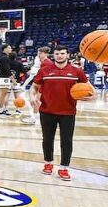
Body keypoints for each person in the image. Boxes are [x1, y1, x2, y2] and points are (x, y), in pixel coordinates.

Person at [31, 45, 92, 181]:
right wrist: (32, 96)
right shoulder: (44, 70)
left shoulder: (76, 71)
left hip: (68, 111)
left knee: (67, 141)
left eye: (62, 53)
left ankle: (64, 168)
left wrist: (91, 96)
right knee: (47, 139)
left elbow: (90, 89)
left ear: (67, 55)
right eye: (57, 53)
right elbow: (34, 87)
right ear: (53, 55)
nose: (59, 56)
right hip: (47, 110)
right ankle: (48, 163)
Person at [0, 44, 26, 117]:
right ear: (5, 49)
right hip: (3, 77)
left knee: (2, 94)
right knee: (3, 94)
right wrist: (13, 79)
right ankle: (1, 110)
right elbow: (7, 70)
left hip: (0, 77)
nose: (11, 49)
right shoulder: (5, 58)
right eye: (9, 48)